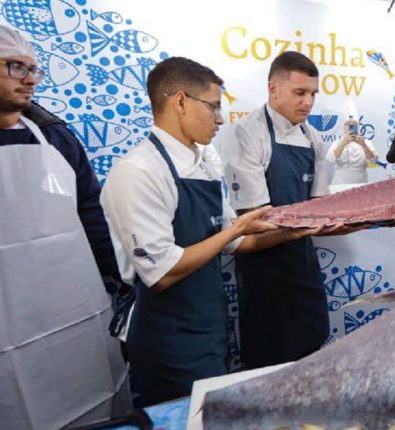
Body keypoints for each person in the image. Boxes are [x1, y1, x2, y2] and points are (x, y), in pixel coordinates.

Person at [100, 57, 294, 406]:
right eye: (213, 107)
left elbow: (237, 242)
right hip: (166, 337)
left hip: (208, 328)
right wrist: (233, 230)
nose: (220, 119)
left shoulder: (203, 163)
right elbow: (162, 273)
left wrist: (296, 231)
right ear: (180, 101)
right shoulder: (138, 172)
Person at [0, 25, 130, 429]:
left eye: (34, 70)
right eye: (15, 68)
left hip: (68, 309)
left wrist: (120, 280)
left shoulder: (56, 137)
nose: (30, 80)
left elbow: (91, 214)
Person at [222, 51, 337, 370]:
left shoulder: (312, 137)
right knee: (269, 365)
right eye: (300, 93)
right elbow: (255, 220)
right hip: (264, 272)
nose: (309, 102)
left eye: (313, 94)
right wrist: (312, 222)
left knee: (312, 358)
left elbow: (319, 204)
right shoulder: (245, 133)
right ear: (273, 89)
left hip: (304, 265)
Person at [326, 116, 378, 184]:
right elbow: (331, 159)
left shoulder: (366, 142)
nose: (351, 126)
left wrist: (364, 146)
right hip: (340, 182)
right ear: (343, 127)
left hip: (360, 181)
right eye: (348, 124)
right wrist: (343, 143)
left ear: (358, 127)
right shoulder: (337, 143)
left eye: (354, 124)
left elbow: (373, 160)